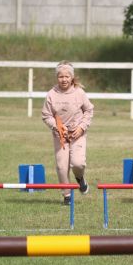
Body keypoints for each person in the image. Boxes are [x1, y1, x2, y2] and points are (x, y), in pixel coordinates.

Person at [41, 61, 94, 206]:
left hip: (78, 134)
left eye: (66, 76)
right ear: (56, 78)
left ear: (72, 77)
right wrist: (55, 127)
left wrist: (82, 127)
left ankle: (80, 178)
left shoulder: (79, 93)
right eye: (60, 76)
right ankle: (67, 196)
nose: (63, 79)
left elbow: (89, 111)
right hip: (60, 137)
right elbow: (46, 115)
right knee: (61, 166)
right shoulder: (51, 94)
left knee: (78, 163)